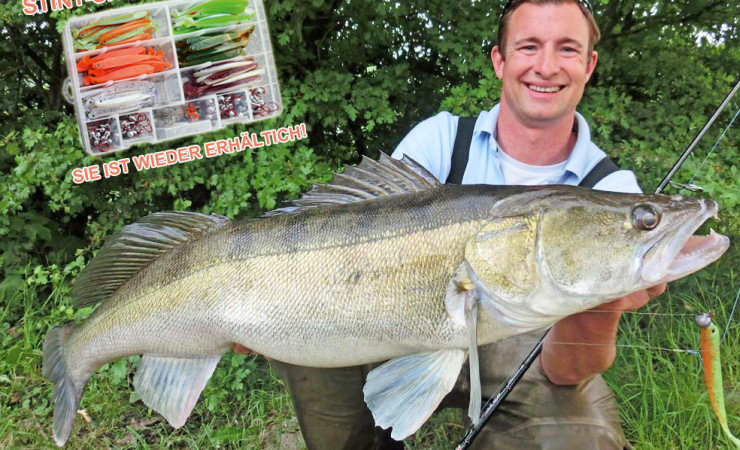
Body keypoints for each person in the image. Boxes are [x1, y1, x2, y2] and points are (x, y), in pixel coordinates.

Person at [239, 1, 666, 448]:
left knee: (578, 438)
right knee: (312, 318)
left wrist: (604, 301)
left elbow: (568, 369)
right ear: (500, 61)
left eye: (566, 49)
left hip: (528, 352)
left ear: (588, 64)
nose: (545, 66)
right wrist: (260, 312)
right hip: (400, 326)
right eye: (528, 46)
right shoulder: (441, 139)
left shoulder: (614, 190)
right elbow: (354, 237)